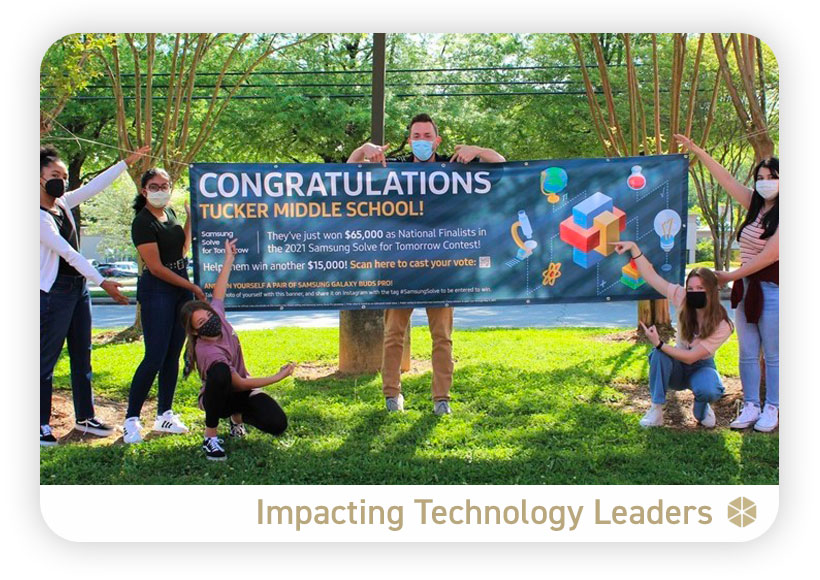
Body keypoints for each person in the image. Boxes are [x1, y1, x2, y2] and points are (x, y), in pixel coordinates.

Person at [347, 113, 506, 415]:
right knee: (394, 334)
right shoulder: (393, 171)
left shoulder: (456, 167)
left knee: (442, 337)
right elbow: (348, 174)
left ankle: (441, 400)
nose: (422, 141)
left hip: (443, 268)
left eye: (427, 136)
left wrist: (478, 150)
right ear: (409, 141)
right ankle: (392, 396)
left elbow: (502, 165)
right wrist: (362, 149)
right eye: (416, 136)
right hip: (399, 268)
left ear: (437, 140)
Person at [40, 144, 149, 446]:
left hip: (77, 292)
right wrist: (103, 281)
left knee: (81, 355)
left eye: (63, 175)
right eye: (54, 174)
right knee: (44, 361)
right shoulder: (36, 215)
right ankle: (39, 423)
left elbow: (92, 187)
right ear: (37, 178)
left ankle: (86, 417)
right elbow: (69, 253)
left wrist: (124, 164)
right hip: (54, 293)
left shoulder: (62, 203)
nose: (61, 180)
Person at [675, 135, 779, 432]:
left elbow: (770, 256)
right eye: (760, 177)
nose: (764, 182)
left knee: (772, 354)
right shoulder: (754, 206)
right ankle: (751, 406)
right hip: (746, 290)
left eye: (771, 177)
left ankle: (772, 407)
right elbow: (726, 181)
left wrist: (729, 276)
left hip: (772, 289)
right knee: (747, 351)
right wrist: (698, 151)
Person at [180, 238, 292, 460]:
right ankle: (210, 437)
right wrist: (277, 377)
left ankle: (236, 420)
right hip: (219, 400)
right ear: (194, 332)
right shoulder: (206, 349)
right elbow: (239, 383)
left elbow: (219, 292)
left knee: (277, 423)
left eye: (208, 316)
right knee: (221, 373)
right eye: (201, 323)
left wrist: (229, 258)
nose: (209, 321)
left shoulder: (217, 316)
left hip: (240, 394)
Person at [122, 168, 206, 444]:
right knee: (154, 357)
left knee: (172, 354)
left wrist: (190, 220)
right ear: (144, 190)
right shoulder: (142, 222)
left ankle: (164, 415)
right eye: (155, 186)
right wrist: (191, 287)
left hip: (179, 287)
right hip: (159, 290)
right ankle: (131, 419)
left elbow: (181, 251)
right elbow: (156, 267)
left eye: (165, 185)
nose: (161, 190)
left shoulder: (168, 214)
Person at [611, 241, 734, 428]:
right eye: (691, 289)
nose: (694, 293)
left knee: (709, 390)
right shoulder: (682, 298)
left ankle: (701, 408)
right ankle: (656, 410)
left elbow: (693, 357)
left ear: (712, 290)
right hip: (677, 366)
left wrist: (660, 343)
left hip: (700, 366)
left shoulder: (723, 324)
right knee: (658, 355)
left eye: (701, 289)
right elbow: (651, 277)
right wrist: (635, 248)